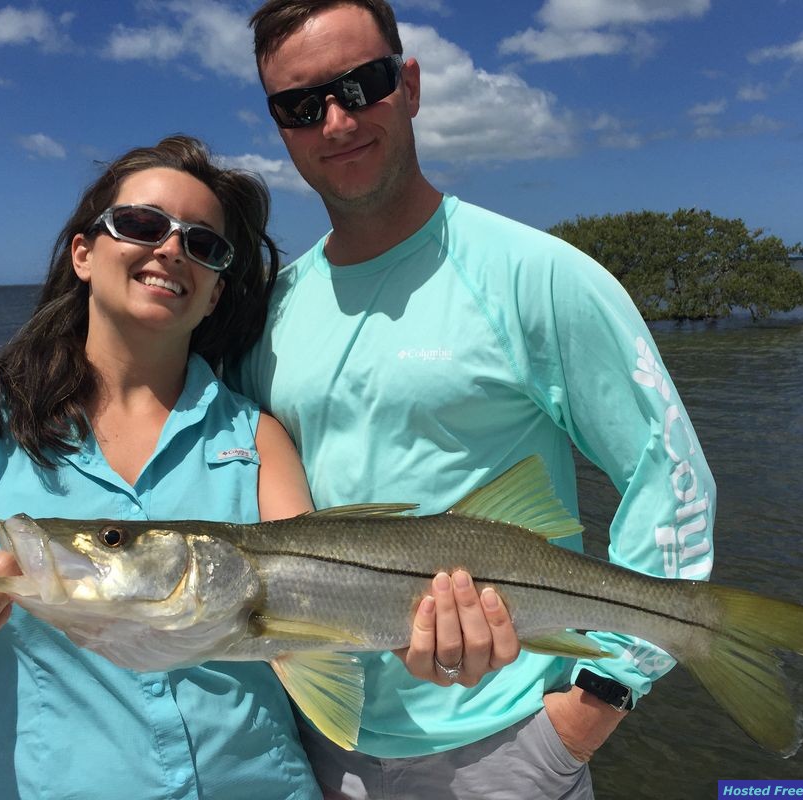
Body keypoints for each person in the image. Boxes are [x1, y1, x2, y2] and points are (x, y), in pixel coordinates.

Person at [231, 2, 717, 798]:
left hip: (509, 746)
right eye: (300, 104)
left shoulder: (536, 274)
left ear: (410, 85)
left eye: (363, 84)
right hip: (314, 744)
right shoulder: (268, 314)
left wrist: (601, 697)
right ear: (278, 126)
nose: (336, 119)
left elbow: (670, 477)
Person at [0, 135, 324, 799]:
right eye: (142, 224)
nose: (170, 249)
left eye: (203, 245)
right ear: (83, 252)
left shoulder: (258, 437)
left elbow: (311, 622)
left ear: (215, 294)